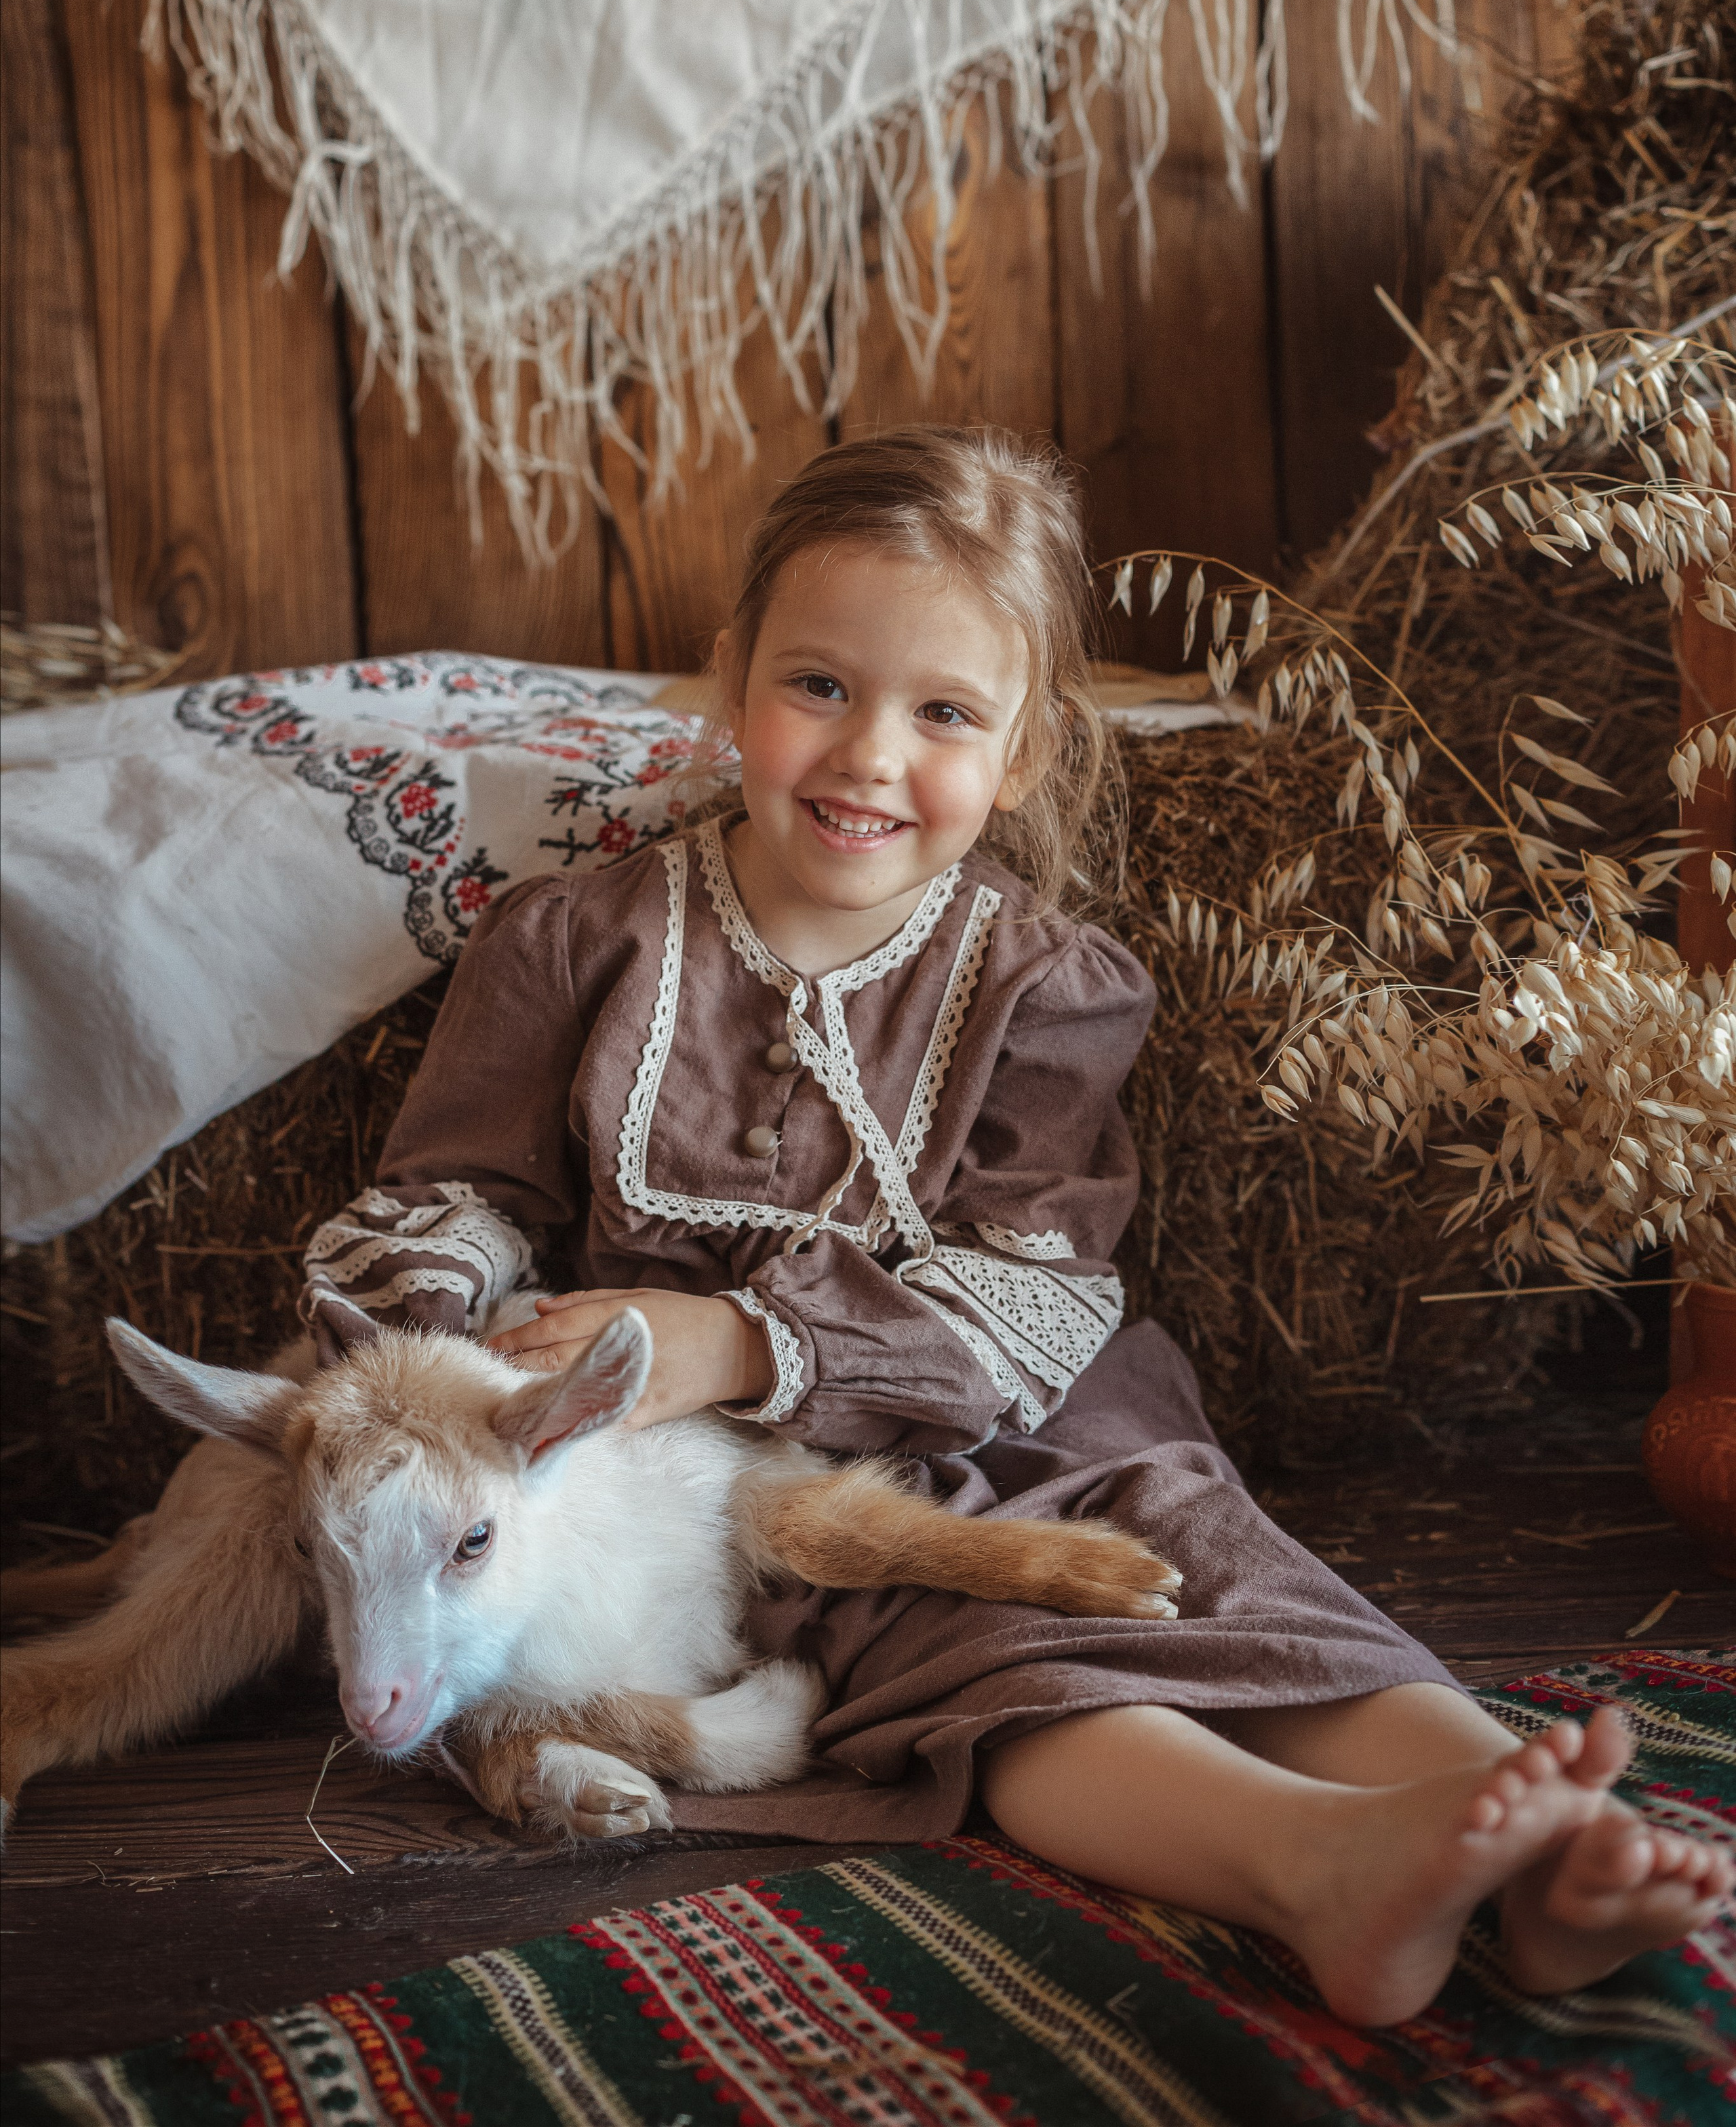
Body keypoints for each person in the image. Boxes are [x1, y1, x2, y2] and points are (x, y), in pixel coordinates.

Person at [301, 424, 1731, 2029]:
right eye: (818, 686)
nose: (864, 758)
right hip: (737, 1478)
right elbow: (456, 1187)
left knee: (1206, 1566)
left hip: (1038, 1405)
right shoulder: (580, 941)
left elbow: (1030, 1281)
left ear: (1027, 753)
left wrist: (755, 1332)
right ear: (729, 681)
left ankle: (1544, 1843)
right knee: (987, 1648)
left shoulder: (1045, 985)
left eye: (943, 713)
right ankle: (1308, 1863)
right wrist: (433, 1337)